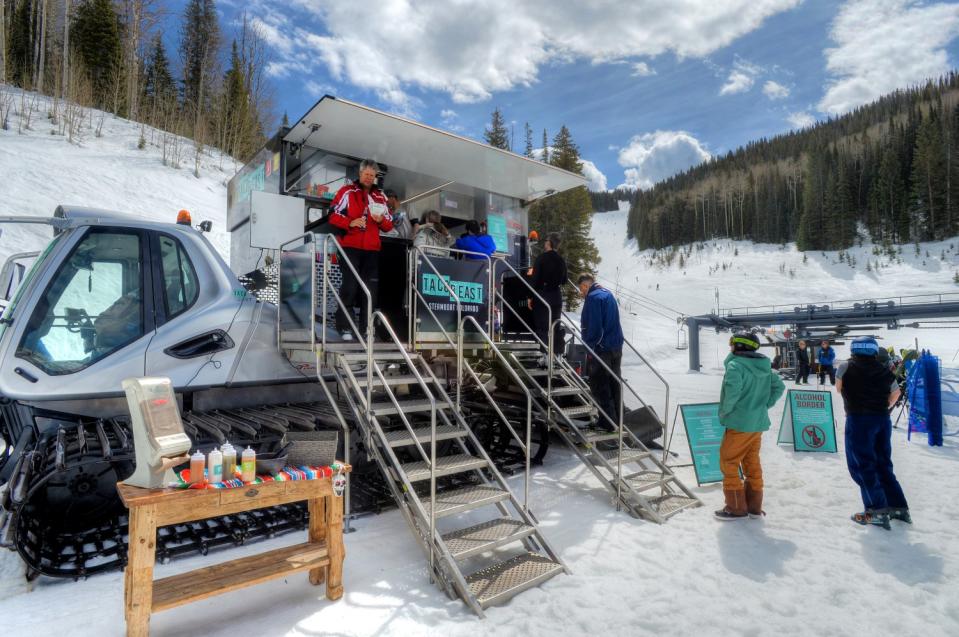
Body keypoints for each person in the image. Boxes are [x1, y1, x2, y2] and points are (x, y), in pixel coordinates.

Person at [836, 336, 909, 529]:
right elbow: (896, 393)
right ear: (874, 351)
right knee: (883, 463)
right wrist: (882, 406)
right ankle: (898, 507)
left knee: (862, 465)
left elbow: (838, 388)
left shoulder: (845, 367)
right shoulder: (884, 370)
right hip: (882, 420)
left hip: (859, 420)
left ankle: (876, 510)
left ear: (854, 350)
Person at [715, 332, 786, 521]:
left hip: (739, 423)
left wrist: (724, 412)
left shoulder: (735, 366)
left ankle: (736, 508)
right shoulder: (764, 367)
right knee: (751, 461)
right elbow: (779, 387)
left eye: (732, 344)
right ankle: (754, 507)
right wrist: (763, 406)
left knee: (728, 461)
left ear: (738, 346)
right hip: (757, 424)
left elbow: (732, 394)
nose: (730, 347)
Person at [328, 159, 393, 341]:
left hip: (372, 251)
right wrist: (350, 222)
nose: (369, 178)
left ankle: (367, 330)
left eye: (372, 176)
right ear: (360, 174)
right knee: (349, 288)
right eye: (366, 174)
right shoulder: (347, 191)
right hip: (350, 248)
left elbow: (389, 225)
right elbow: (332, 215)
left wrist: (380, 221)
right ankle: (345, 327)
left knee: (370, 292)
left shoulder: (381, 197)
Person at [577, 274, 624, 431]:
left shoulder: (594, 298)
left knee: (599, 385)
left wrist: (590, 346)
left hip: (601, 349)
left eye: (581, 289)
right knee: (614, 384)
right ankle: (619, 419)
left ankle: (607, 423)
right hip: (616, 347)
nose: (581, 293)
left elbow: (596, 328)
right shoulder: (608, 294)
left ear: (585, 286)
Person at [528, 233, 567, 358]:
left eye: (546, 240)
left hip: (543, 295)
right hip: (556, 295)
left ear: (549, 243)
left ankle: (544, 355)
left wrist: (530, 296)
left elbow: (535, 279)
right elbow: (564, 280)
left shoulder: (542, 258)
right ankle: (558, 353)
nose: (544, 243)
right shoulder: (561, 260)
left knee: (542, 326)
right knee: (555, 325)